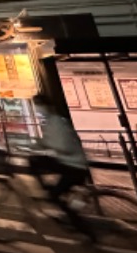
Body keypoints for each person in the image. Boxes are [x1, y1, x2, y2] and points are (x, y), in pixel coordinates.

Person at [28, 92, 91, 232]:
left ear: (47, 106)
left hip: (73, 166)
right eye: (37, 106)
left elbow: (63, 146)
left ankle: (82, 228)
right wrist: (38, 144)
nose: (38, 109)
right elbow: (48, 141)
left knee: (55, 193)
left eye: (39, 105)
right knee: (37, 162)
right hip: (72, 164)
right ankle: (52, 192)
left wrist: (45, 145)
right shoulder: (52, 121)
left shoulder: (56, 122)